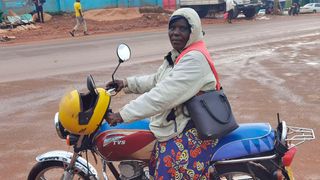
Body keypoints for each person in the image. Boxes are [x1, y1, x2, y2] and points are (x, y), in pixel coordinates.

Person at [105, 8, 220, 179]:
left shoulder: (194, 59)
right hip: (177, 125)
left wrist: (122, 115)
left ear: (193, 31)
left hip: (193, 131)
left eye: (182, 28)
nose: (175, 33)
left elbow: (162, 96)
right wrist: (126, 83)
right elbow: (156, 80)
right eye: (172, 28)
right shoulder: (179, 55)